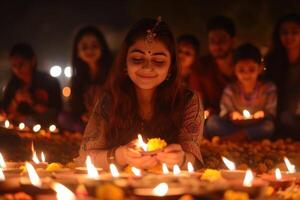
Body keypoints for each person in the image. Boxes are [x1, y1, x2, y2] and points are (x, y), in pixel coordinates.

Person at [76, 18, 204, 170]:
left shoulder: (187, 100)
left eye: (158, 61)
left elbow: (193, 160)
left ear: (171, 67)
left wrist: (180, 159)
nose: (147, 68)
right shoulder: (110, 100)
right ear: (125, 62)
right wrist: (120, 155)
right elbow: (84, 157)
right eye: (137, 59)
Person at [205, 44, 277, 141]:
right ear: (234, 70)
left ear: (260, 68)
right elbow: (224, 112)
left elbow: (271, 114)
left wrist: (262, 114)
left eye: (251, 69)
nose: (246, 74)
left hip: (258, 125)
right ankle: (245, 137)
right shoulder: (230, 89)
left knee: (268, 126)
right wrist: (232, 115)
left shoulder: (268, 88)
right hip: (234, 126)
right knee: (212, 122)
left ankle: (230, 139)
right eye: (241, 70)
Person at [60, 26, 113, 131]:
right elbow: (75, 106)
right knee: (63, 117)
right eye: (84, 47)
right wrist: (84, 116)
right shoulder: (79, 78)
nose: (89, 50)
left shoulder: (113, 72)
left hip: (111, 119)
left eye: (94, 45)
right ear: (78, 53)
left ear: (102, 48)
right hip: (86, 122)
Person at [1, 43, 62, 126]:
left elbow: (56, 113)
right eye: (14, 66)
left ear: (33, 61)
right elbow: (5, 113)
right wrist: (16, 100)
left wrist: (32, 102)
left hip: (45, 126)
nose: (18, 69)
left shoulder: (49, 82)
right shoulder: (13, 84)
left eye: (21, 64)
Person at [189, 16, 236, 115]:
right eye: (212, 41)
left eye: (222, 40)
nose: (217, 45)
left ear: (232, 41)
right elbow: (197, 100)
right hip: (213, 120)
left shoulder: (243, 63)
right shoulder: (201, 67)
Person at [264, 14, 300, 139]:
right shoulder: (273, 61)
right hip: (281, 117)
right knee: (285, 119)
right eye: (285, 32)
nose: (289, 36)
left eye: (294, 32)